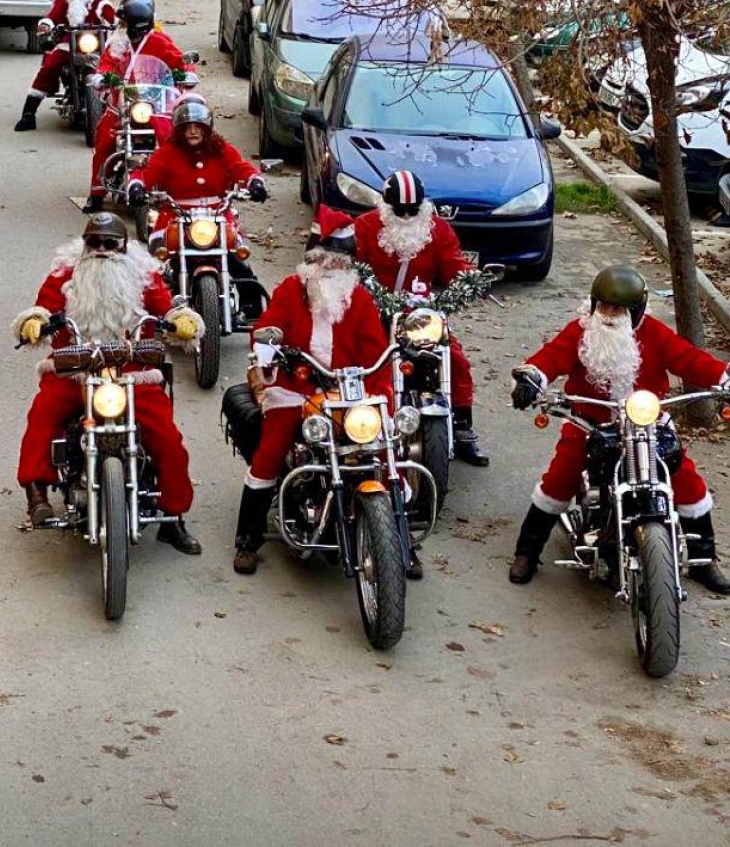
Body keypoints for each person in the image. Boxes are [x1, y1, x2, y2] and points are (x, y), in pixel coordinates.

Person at [508, 265, 730, 593]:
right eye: (605, 306)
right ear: (594, 303)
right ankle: (527, 551)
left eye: (619, 308)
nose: (610, 314)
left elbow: (690, 359)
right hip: (589, 423)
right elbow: (550, 357)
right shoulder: (580, 332)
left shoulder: (654, 333)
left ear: (636, 310)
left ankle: (703, 558)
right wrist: (532, 378)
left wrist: (723, 378)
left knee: (685, 479)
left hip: (647, 421)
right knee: (560, 477)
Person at [13, 212, 204, 552]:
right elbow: (43, 306)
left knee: (168, 439)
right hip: (74, 372)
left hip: (133, 374)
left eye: (110, 243)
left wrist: (182, 320)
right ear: (84, 245)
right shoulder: (65, 272)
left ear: (123, 245)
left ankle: (173, 517)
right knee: (43, 414)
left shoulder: (143, 274)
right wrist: (35, 321)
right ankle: (37, 492)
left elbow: (166, 308)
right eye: (94, 242)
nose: (101, 249)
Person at [231, 205, 393, 576]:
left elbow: (376, 352)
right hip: (295, 388)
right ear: (314, 258)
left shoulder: (360, 299)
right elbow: (265, 329)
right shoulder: (292, 289)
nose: (335, 267)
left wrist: (380, 392)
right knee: (272, 448)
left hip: (348, 392)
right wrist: (270, 347)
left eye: (343, 261)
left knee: (382, 450)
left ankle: (395, 539)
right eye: (329, 259)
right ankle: (248, 538)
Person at [353, 170, 488, 466]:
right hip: (375, 310)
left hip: (420, 314)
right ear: (386, 205)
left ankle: (463, 426)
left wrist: (470, 279)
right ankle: (360, 419)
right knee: (362, 360)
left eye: (412, 210)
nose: (405, 216)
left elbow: (453, 263)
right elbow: (354, 265)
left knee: (455, 358)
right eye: (399, 210)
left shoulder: (437, 229)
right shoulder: (364, 227)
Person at [126, 95, 267, 318]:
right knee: (157, 259)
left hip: (218, 215)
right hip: (175, 215)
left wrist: (255, 182)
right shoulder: (168, 152)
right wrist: (137, 186)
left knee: (237, 256)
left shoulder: (222, 149)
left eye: (198, 127)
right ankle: (150, 308)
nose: (193, 132)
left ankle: (252, 305)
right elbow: (146, 173)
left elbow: (241, 168)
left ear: (207, 128)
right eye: (187, 127)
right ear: (178, 129)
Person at [84, 0, 190, 212]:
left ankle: (181, 186)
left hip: (155, 103)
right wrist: (101, 76)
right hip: (123, 102)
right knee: (105, 139)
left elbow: (178, 62)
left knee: (177, 138)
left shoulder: (160, 41)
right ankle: (96, 193)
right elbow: (106, 64)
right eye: (133, 27)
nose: (137, 34)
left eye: (141, 29)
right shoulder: (117, 42)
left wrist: (186, 74)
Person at [13, 0, 117, 132]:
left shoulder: (100, 2)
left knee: (114, 68)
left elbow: (113, 18)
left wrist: (120, 24)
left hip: (94, 46)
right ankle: (28, 115)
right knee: (49, 66)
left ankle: (119, 111)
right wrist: (46, 24)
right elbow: (52, 16)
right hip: (68, 44)